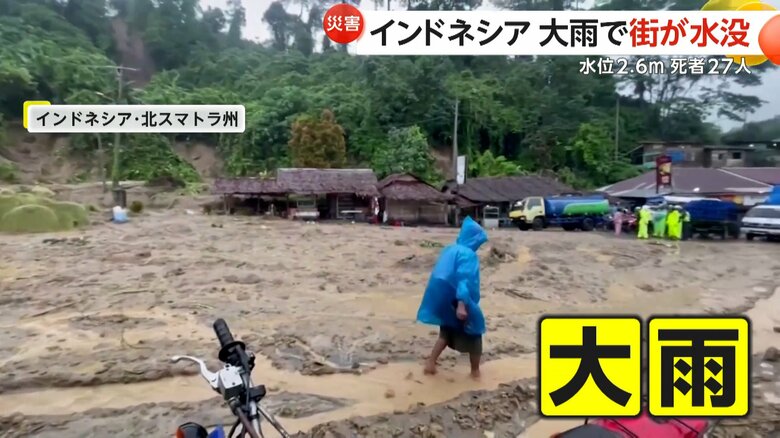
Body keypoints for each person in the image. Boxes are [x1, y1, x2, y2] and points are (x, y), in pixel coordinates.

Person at [416, 216, 488, 379]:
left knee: (446, 331)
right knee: (476, 332)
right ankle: (475, 373)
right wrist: (462, 305)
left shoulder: (450, 249)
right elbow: (464, 279)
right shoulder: (468, 254)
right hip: (459, 298)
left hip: (443, 296)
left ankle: (430, 363)